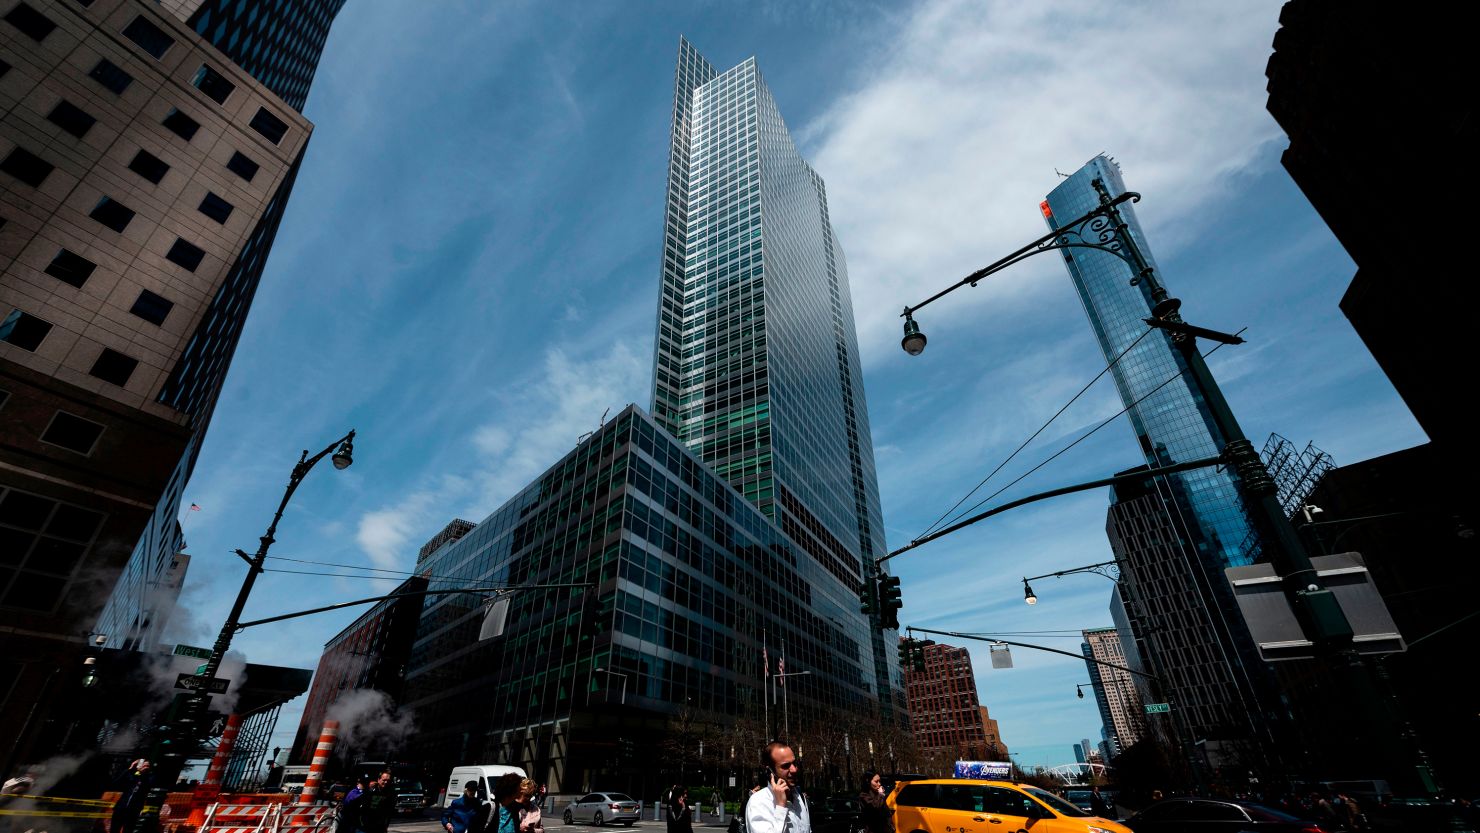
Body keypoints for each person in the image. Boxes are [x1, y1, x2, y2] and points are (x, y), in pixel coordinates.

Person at [745, 742, 809, 833]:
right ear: (769, 771)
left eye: (794, 763)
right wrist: (780, 807)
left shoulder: (799, 796)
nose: (794, 770)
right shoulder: (758, 802)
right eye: (785, 766)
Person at [111, 759, 154, 833]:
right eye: (143, 765)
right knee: (114, 830)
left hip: (133, 811)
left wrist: (143, 774)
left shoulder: (150, 777)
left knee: (128, 830)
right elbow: (116, 782)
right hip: (120, 808)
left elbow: (148, 786)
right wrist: (130, 768)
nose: (145, 767)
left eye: (147, 766)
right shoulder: (133, 775)